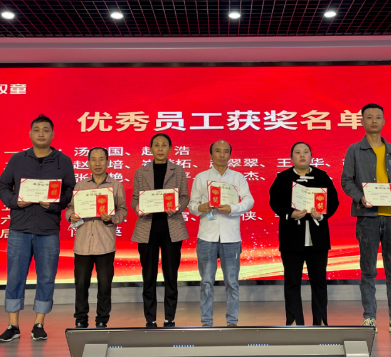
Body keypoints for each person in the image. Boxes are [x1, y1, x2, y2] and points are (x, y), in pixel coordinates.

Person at [0, 114, 76, 342]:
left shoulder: (63, 161)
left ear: (53, 134)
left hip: (48, 229)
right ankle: (13, 325)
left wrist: (55, 204)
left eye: (46, 130)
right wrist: (15, 201)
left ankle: (39, 323)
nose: (41, 133)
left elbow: (70, 191)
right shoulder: (17, 159)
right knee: (14, 276)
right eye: (37, 129)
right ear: (30, 133)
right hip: (20, 228)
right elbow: (3, 185)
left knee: (46, 277)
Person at [340, 104, 391, 335]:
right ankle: (369, 318)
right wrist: (360, 198)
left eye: (378, 117)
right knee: (368, 270)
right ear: (362, 121)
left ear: (383, 121)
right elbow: (346, 181)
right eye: (369, 117)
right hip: (367, 218)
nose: (374, 120)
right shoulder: (354, 150)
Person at [268, 142, 339, 326]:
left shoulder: (321, 176)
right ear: (291, 157)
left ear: (311, 156)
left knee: (319, 282)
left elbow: (333, 202)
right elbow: (274, 201)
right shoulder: (283, 178)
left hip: (318, 239)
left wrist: (321, 215)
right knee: (292, 282)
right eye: (297, 152)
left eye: (306, 152)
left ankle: (320, 321)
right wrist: (289, 214)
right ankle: (294, 321)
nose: (302, 155)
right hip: (292, 239)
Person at [188, 140, 254, 327]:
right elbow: (192, 205)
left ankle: (232, 322)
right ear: (211, 155)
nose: (222, 155)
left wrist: (232, 208)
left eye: (226, 151)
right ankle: (206, 322)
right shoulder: (201, 177)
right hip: (207, 237)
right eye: (217, 151)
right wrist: (200, 207)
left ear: (230, 156)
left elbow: (249, 201)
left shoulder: (238, 177)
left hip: (231, 237)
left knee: (232, 282)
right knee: (206, 282)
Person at [131, 133, 190, 328]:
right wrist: (138, 208)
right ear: (150, 149)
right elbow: (135, 198)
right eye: (156, 145)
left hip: (171, 228)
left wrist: (178, 207)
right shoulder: (141, 172)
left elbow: (184, 196)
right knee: (148, 276)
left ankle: (169, 317)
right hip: (147, 229)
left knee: (171, 276)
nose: (160, 148)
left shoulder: (178, 171)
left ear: (170, 149)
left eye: (164, 145)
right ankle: (150, 318)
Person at [65, 147, 128, 329]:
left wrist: (112, 218)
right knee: (81, 284)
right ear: (88, 162)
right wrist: (71, 216)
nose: (98, 163)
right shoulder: (80, 186)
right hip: (83, 243)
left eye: (101, 159)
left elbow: (123, 210)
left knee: (104, 285)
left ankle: (102, 319)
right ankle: (80, 319)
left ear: (108, 162)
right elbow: (70, 208)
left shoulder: (116, 185)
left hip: (105, 243)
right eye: (94, 159)